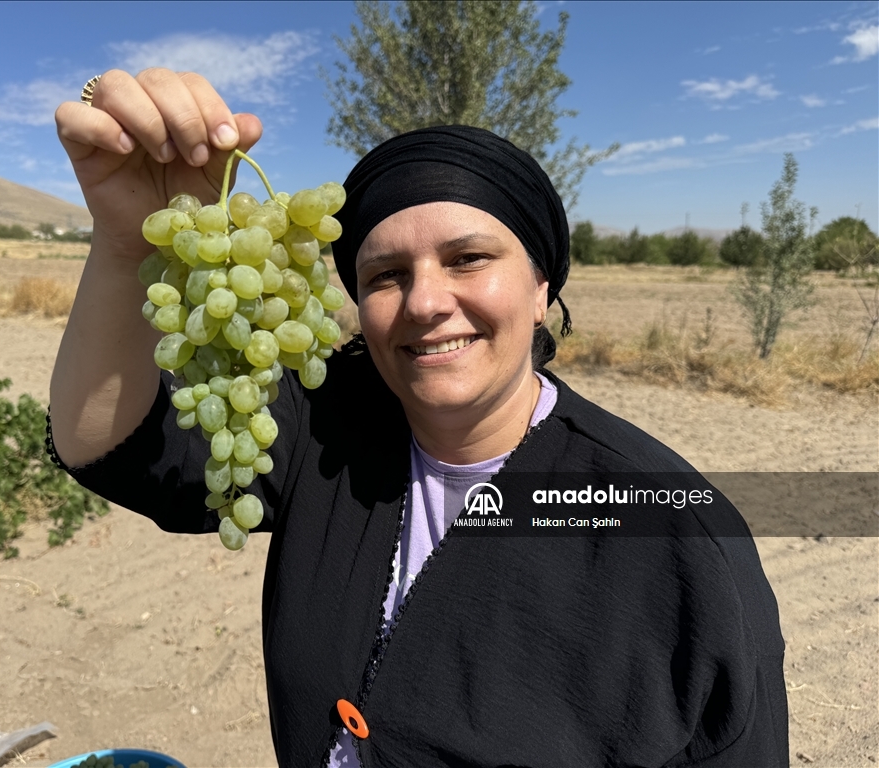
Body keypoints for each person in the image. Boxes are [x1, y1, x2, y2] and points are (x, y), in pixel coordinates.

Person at [49, 70, 789, 768]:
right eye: (385, 276)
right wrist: (123, 241)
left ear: (541, 288)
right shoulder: (328, 428)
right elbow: (110, 447)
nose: (426, 302)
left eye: (468, 259)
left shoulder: (681, 540)